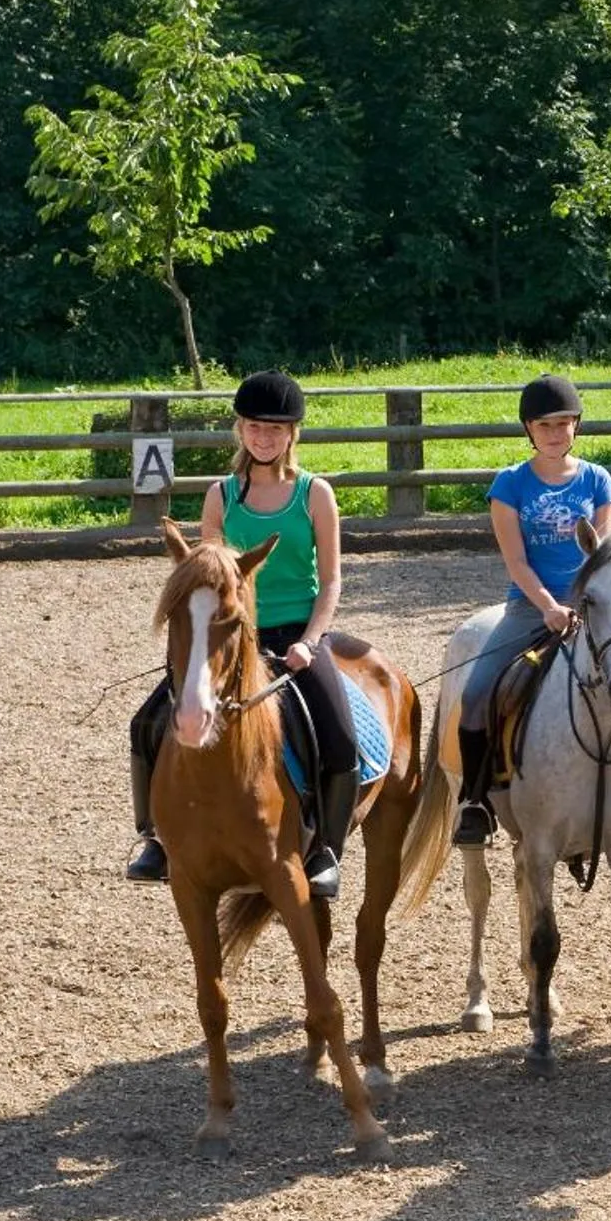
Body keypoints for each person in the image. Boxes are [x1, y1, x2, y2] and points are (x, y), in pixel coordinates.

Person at [125, 371, 362, 898]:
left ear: (292, 433)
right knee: (146, 722)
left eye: (275, 429)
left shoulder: (315, 494)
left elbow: (331, 581)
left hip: (297, 633)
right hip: (231, 637)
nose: (264, 437)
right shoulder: (221, 496)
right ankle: (154, 838)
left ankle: (325, 850)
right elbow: (207, 579)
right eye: (255, 427)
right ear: (240, 429)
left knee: (340, 737)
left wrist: (310, 641)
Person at [452, 372, 611, 856]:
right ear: (529, 429)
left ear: (576, 425)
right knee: (477, 694)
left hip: (596, 609)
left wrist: (582, 608)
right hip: (529, 607)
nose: (556, 433)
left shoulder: (598, 481)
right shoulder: (509, 485)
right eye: (545, 425)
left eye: (564, 423)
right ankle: (475, 802)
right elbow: (516, 562)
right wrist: (549, 607)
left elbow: (605, 559)